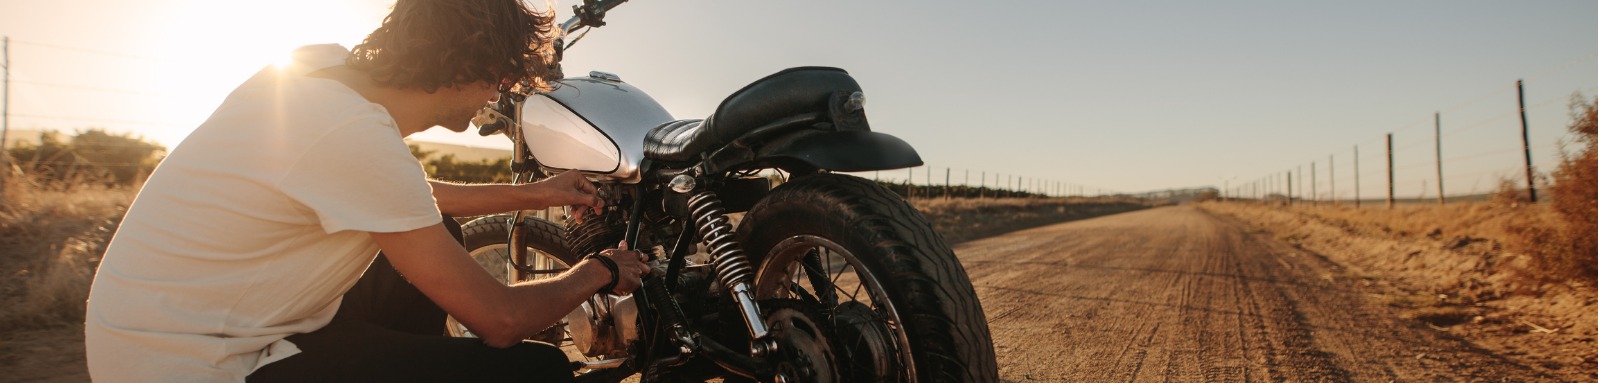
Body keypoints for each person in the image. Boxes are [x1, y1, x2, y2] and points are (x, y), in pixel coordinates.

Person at [82, 0, 647, 381]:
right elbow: (499, 318)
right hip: (188, 363)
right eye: (498, 76)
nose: (499, 92)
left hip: (163, 325)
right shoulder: (350, 130)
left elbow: (405, 194)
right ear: (462, 64)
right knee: (534, 371)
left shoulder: (320, 72)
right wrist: (600, 268)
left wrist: (536, 193)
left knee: (440, 232)